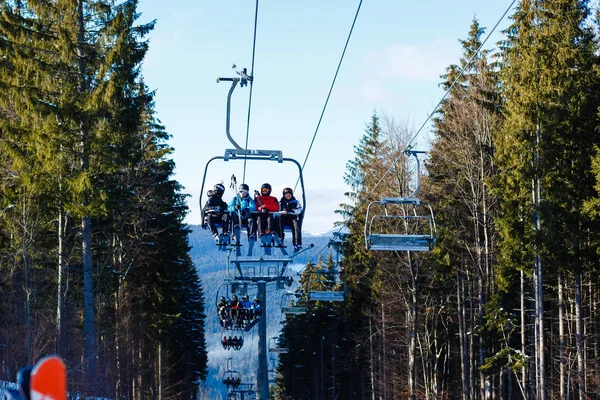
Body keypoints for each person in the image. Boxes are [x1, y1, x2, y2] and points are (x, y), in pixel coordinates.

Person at [279, 187, 303, 252]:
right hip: (283, 218)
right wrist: (282, 212)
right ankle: (280, 238)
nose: (288, 195)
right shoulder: (281, 203)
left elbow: (300, 210)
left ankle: (297, 243)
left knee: (296, 224)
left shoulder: (296, 202)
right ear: (284, 195)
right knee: (279, 221)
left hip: (292, 217)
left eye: (289, 194)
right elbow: (277, 211)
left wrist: (292, 210)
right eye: (286, 194)